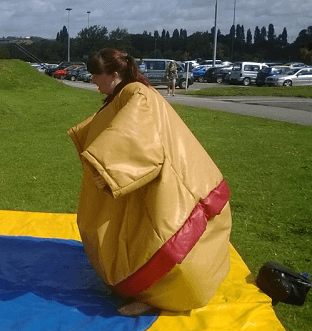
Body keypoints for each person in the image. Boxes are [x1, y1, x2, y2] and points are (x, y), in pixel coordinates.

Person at [67, 48, 232, 316]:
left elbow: (136, 135)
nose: (92, 79)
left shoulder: (137, 95)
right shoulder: (126, 94)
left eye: (96, 74)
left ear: (114, 74)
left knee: (161, 237)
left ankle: (157, 297)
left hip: (167, 181)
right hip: (150, 182)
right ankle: (148, 292)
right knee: (138, 234)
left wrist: (106, 165)